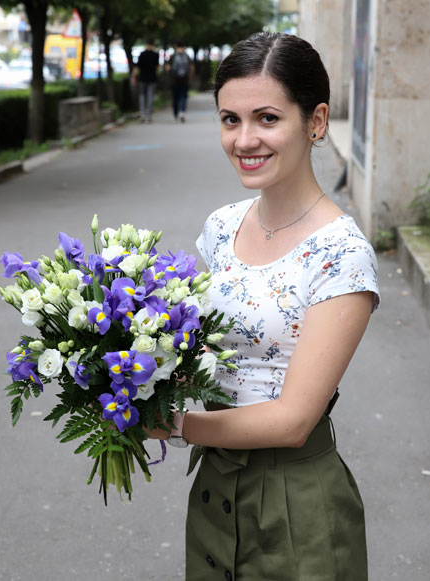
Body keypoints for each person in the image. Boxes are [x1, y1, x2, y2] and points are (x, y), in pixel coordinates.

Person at [147, 32, 379, 580]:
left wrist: (170, 424)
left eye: (267, 118)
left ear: (316, 122)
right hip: (214, 490)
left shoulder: (341, 253)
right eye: (230, 119)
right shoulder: (222, 227)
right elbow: (200, 353)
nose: (244, 139)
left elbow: (294, 420)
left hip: (296, 501)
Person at [134, 38, 160, 123]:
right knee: (150, 97)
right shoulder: (155, 55)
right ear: (153, 44)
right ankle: (148, 116)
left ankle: (142, 113)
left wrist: (133, 76)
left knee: (142, 96)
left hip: (142, 78)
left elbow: (137, 67)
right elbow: (157, 67)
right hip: (152, 78)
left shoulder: (142, 54)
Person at [168, 40, 193, 122]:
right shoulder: (187, 56)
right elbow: (192, 67)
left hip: (174, 81)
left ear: (176, 46)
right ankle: (182, 112)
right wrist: (190, 77)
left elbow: (168, 68)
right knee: (183, 97)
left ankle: (175, 114)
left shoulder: (172, 56)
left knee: (175, 98)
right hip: (184, 80)